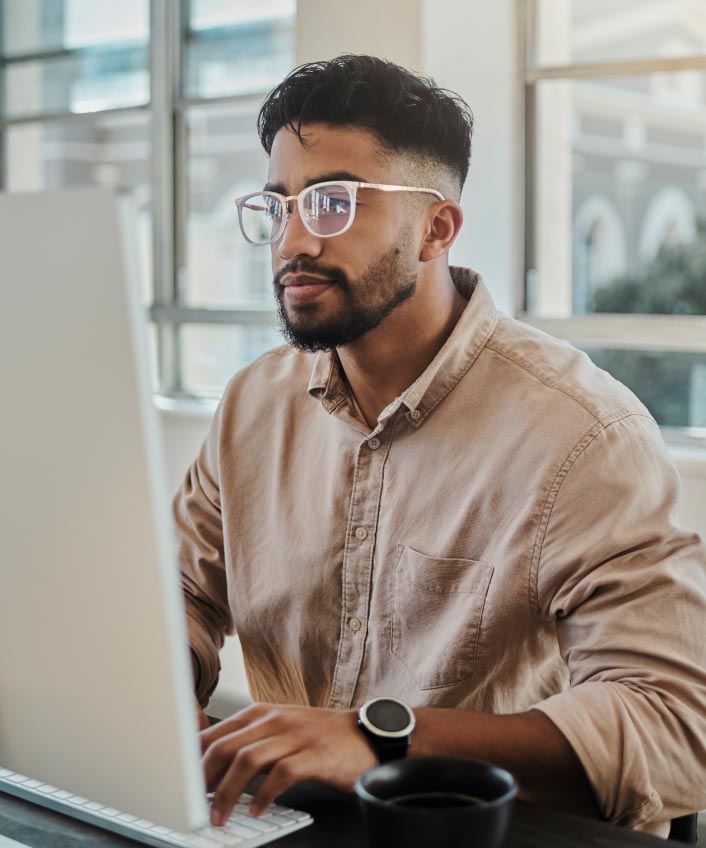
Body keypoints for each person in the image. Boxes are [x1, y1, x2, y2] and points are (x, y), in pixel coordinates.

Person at [175, 54, 706, 836]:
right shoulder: (253, 405)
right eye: (279, 205)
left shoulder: (586, 435)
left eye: (333, 203)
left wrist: (378, 737)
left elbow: (675, 729)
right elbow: (178, 596)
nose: (292, 241)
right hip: (293, 826)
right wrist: (160, 701)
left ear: (437, 228)